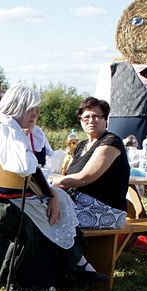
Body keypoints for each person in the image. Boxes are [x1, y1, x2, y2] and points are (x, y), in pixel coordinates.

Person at [0, 84, 107, 289]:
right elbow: (23, 166)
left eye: (36, 110)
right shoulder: (6, 127)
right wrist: (31, 157)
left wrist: (50, 192)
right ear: (18, 106)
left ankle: (73, 267)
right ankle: (67, 269)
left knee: (58, 201)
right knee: (54, 210)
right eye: (31, 109)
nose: (35, 115)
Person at [52, 97, 129, 230]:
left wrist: (52, 181)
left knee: (49, 217)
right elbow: (68, 177)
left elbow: (84, 178)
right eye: (86, 117)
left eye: (96, 116)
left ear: (105, 119)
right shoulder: (81, 145)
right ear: (81, 120)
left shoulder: (110, 142)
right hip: (78, 203)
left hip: (105, 210)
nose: (91, 120)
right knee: (38, 207)